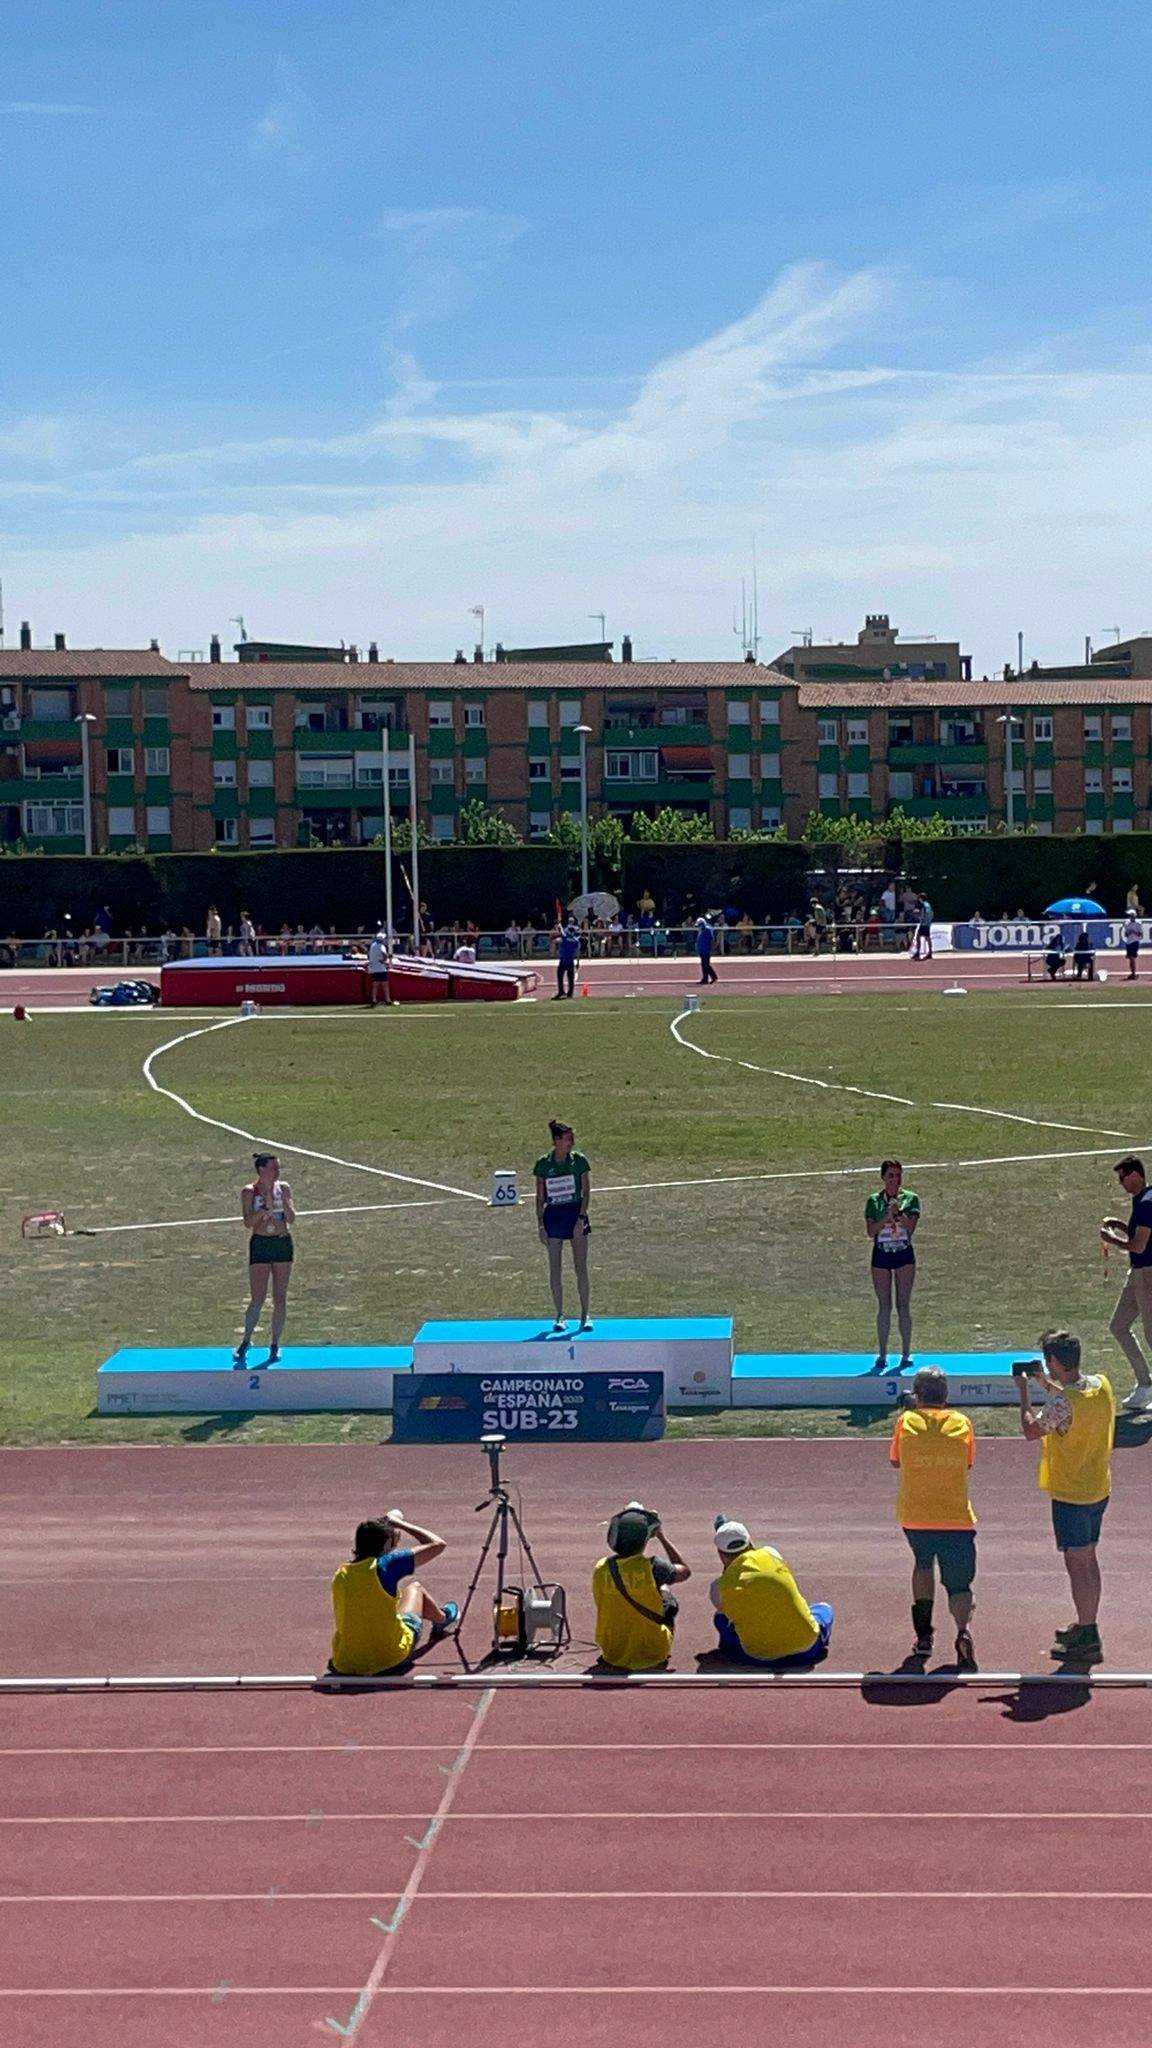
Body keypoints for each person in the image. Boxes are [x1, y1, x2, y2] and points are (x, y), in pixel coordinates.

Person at [1015, 1329, 1115, 1662]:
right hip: (1097, 1487)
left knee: (1077, 1564)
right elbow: (1072, 1401)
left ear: (1055, 1361)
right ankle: (1088, 1623)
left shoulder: (1061, 1403)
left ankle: (1088, 1635)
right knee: (1089, 1558)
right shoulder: (1101, 1385)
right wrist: (1044, 1382)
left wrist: (1025, 1395)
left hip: (1072, 1493)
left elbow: (1032, 1429)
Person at [890, 1369, 977, 1667]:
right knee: (959, 1585)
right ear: (946, 1396)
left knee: (923, 1565)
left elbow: (895, 1460)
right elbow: (968, 1464)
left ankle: (924, 1635)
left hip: (916, 1516)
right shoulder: (962, 1423)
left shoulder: (905, 1422)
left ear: (918, 1395)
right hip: (956, 1517)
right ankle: (963, 1632)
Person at [329, 1511, 459, 1677]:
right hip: (390, 1656)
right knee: (415, 1589)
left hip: (345, 1663)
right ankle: (442, 1619)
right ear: (386, 1545)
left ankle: (440, 1618)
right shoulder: (387, 1566)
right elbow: (438, 1544)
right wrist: (399, 1524)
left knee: (379, 1603)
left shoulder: (341, 1574)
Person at [709, 1517, 833, 1668]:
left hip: (760, 1658)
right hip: (806, 1651)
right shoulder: (771, 1553)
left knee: (720, 1617)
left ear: (720, 1554)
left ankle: (732, 1651)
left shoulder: (718, 1588)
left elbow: (730, 1599)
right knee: (824, 1609)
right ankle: (818, 1638)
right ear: (750, 1542)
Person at [592, 1501, 691, 1672]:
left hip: (612, 1652)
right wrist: (662, 1537)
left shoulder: (601, 1567)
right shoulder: (653, 1567)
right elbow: (685, 1571)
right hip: (653, 1651)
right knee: (664, 1589)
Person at [234, 1153, 296, 1366]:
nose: (277, 1172)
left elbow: (292, 1218)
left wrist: (283, 1203)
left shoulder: (284, 1188)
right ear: (261, 1169)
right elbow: (248, 1222)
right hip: (261, 1243)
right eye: (273, 1168)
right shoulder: (249, 1192)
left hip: (281, 1243)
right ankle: (246, 1340)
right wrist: (264, 1209)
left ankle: (275, 1343)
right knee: (258, 1298)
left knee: (280, 1297)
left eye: (278, 1168)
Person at [1101, 1156, 1152, 1410]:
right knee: (1119, 1326)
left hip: (1148, 1275)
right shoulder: (1142, 1200)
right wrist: (1119, 1226)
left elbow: (1139, 1245)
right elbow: (1138, 1236)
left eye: (1123, 1178)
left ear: (1136, 1175)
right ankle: (1145, 1384)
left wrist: (1111, 1239)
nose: (1121, 1183)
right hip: (1137, 1274)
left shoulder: (1147, 1203)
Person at [534, 1118, 591, 1331]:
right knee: (555, 1269)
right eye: (568, 1139)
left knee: (580, 1267)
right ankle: (559, 1315)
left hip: (575, 1213)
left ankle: (585, 1315)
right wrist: (541, 1225)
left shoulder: (579, 1161)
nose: (572, 1143)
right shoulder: (543, 1165)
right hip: (554, 1215)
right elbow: (539, 1198)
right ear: (557, 1141)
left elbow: (586, 1192)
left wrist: (581, 1218)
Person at [865, 1159, 920, 1371]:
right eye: (891, 1176)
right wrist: (887, 1218)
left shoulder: (911, 1199)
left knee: (903, 1305)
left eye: (898, 1176)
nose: (895, 1180)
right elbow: (871, 1231)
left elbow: (910, 1227)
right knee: (884, 1306)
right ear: (883, 1178)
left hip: (904, 1254)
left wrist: (898, 1213)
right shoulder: (874, 1201)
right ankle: (882, 1353)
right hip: (881, 1255)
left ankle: (906, 1353)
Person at [555, 917, 580, 1000]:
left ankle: (563, 992)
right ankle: (569, 993)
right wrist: (578, 962)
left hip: (565, 960)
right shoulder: (575, 940)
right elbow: (577, 951)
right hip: (569, 960)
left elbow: (563, 934)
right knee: (570, 978)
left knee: (561, 976)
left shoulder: (568, 938)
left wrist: (560, 926)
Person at [367, 928, 393, 1007]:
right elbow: (384, 954)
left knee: (375, 984)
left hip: (373, 967)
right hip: (380, 967)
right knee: (385, 984)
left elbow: (369, 954)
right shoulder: (381, 946)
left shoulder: (372, 945)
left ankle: (374, 1000)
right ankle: (388, 1000)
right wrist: (385, 959)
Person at [695, 914, 718, 985]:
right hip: (702, 949)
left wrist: (711, 947)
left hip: (706, 949)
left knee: (706, 964)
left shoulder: (707, 929)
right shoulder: (702, 930)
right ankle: (705, 978)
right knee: (704, 965)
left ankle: (713, 977)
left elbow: (711, 939)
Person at [912, 893, 934, 960]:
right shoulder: (928, 905)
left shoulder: (923, 905)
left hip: (924, 924)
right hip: (927, 923)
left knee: (919, 937)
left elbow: (924, 914)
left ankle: (918, 953)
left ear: (921, 898)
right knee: (927, 938)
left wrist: (918, 916)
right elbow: (931, 913)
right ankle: (929, 952)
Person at [1122, 912, 1141, 980]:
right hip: (1129, 942)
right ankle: (1132, 973)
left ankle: (1133, 973)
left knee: (1132, 958)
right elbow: (1126, 934)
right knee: (1130, 958)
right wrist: (1129, 932)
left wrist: (1134, 932)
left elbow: (1140, 934)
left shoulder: (1138, 923)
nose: (1131, 917)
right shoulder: (1127, 923)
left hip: (1135, 941)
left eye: (1132, 916)